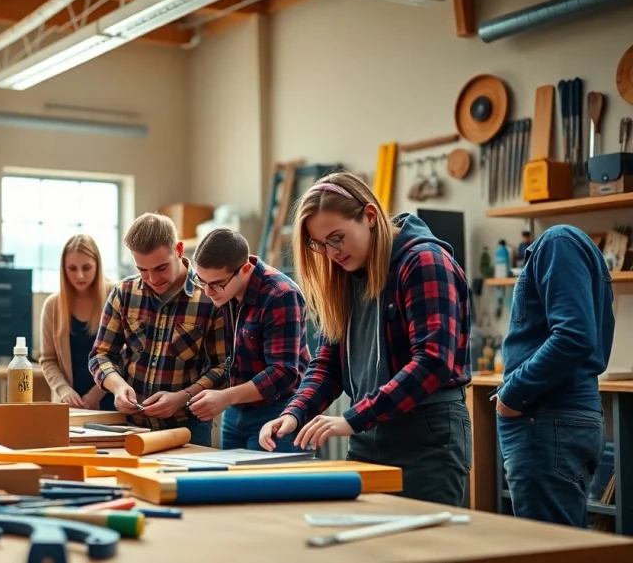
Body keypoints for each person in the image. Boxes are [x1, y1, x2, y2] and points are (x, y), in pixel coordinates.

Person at [258, 172, 472, 507]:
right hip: (368, 434)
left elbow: (432, 361)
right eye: (321, 244)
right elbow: (327, 364)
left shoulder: (424, 261)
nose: (332, 253)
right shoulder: (345, 277)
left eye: (337, 237)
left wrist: (352, 418)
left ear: (369, 216)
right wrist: (295, 413)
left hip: (427, 436)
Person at [494, 224, 612, 527]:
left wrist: (512, 394)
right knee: (565, 543)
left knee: (548, 548)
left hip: (547, 418)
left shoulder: (557, 242)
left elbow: (574, 337)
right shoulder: (565, 246)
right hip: (560, 419)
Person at [89, 213, 226, 447]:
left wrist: (183, 398)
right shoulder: (124, 293)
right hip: (131, 427)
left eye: (161, 267)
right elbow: (100, 355)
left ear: (179, 250)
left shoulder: (211, 297)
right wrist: (118, 387)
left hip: (188, 427)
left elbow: (223, 366)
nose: (152, 278)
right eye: (142, 269)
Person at [188, 228, 311, 452]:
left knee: (269, 486)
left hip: (280, 413)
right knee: (232, 484)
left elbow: (283, 372)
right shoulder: (224, 292)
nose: (207, 291)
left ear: (245, 269)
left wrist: (225, 397)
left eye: (215, 284)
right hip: (236, 410)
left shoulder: (280, 295)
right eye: (201, 281)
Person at [40, 235, 116, 411]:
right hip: (69, 406)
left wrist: (98, 392)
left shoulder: (115, 296)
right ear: (63, 269)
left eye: (87, 267)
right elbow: (48, 360)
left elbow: (125, 355)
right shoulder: (53, 306)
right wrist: (63, 390)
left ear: (98, 265)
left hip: (111, 401)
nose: (80, 275)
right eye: (72, 268)